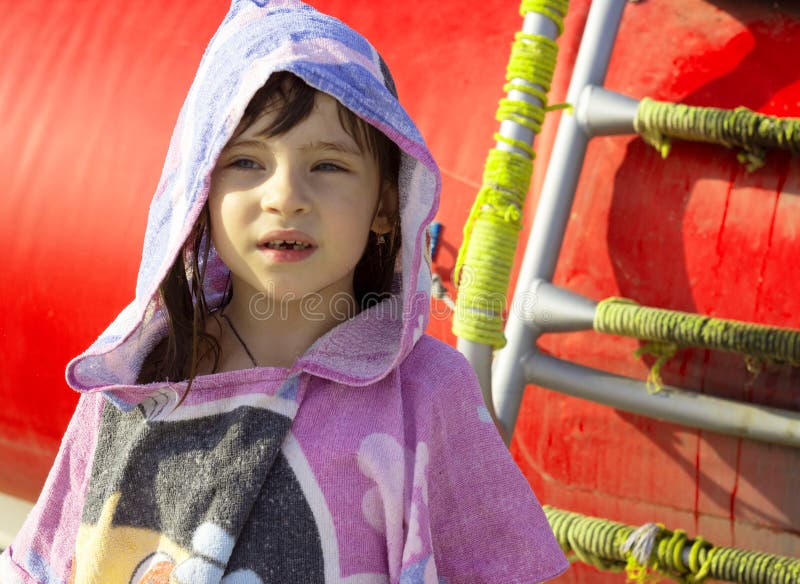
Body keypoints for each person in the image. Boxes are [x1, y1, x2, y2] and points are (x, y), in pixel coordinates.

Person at [0, 1, 569, 582]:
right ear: (200, 191)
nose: (285, 196)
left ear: (387, 205)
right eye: (246, 161)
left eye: (327, 165)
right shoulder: (133, 380)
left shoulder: (425, 395)